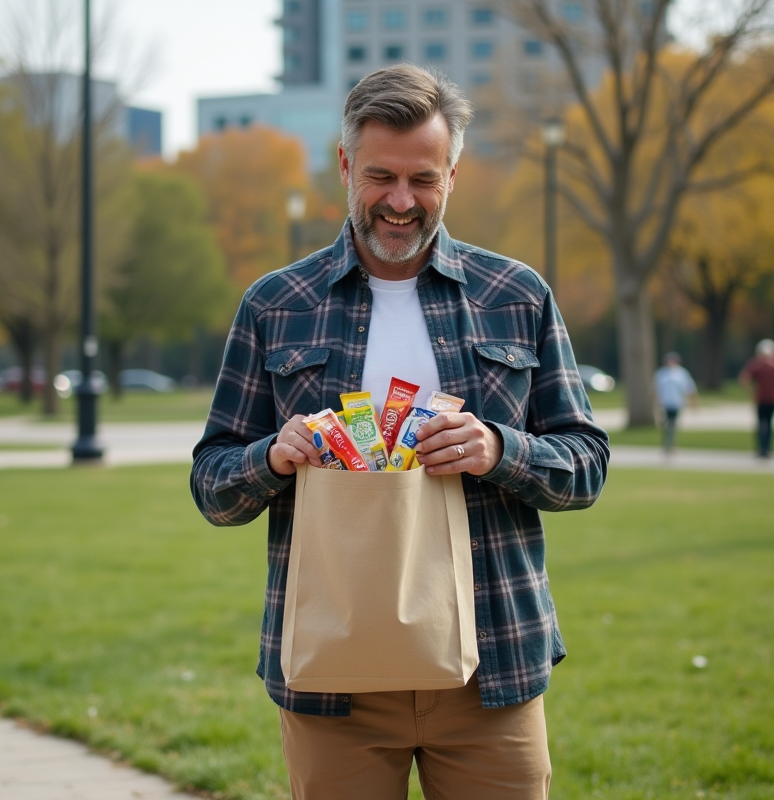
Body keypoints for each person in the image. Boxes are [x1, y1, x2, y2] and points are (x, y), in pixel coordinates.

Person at [191, 65, 609, 799]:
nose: (400, 201)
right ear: (345, 165)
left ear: (453, 172)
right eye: (380, 175)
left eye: (424, 179)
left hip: (493, 666)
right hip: (334, 681)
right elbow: (213, 486)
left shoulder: (516, 295)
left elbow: (588, 464)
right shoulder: (275, 304)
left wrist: (499, 450)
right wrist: (273, 457)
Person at [738, 339, 774, 459]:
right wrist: (751, 392)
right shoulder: (757, 364)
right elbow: (744, 378)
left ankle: (767, 448)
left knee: (769, 423)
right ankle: (762, 448)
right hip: (761, 399)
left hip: (772, 399)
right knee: (762, 423)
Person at [653, 351, 698, 453]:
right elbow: (655, 389)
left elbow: (689, 389)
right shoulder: (661, 374)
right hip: (664, 403)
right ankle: (668, 442)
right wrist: (655, 403)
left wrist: (693, 403)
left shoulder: (682, 373)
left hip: (676, 403)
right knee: (664, 424)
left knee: (672, 424)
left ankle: (670, 443)